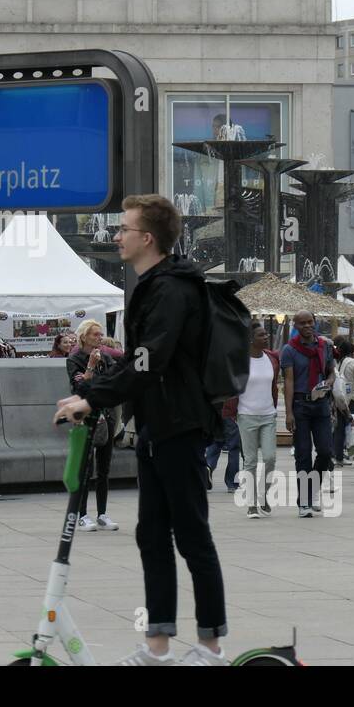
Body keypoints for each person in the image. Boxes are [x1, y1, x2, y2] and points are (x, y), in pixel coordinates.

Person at [56, 193, 229, 666]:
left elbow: (150, 361)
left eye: (124, 229)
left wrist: (93, 396)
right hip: (157, 425)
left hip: (181, 425)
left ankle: (211, 647)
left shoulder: (172, 290)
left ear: (147, 238)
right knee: (151, 535)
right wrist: (91, 391)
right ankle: (158, 647)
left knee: (192, 535)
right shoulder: (154, 286)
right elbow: (138, 362)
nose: (116, 236)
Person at [282, 310, 338, 515]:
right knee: (303, 454)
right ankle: (304, 501)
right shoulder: (289, 350)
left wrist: (330, 381)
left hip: (321, 404)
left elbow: (331, 371)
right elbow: (288, 381)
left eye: (310, 322)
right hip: (301, 405)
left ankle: (312, 489)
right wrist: (288, 413)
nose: (307, 326)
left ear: (315, 322)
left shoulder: (324, 346)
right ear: (295, 325)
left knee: (325, 452)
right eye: (302, 323)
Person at [66, 319, 120, 529]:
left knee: (104, 469)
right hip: (85, 417)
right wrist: (90, 366)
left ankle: (103, 513)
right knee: (85, 469)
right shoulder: (74, 359)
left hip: (106, 415)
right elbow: (80, 387)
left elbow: (115, 381)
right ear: (84, 336)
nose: (99, 338)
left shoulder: (105, 357)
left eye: (100, 334)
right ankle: (82, 514)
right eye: (95, 334)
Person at [237, 321, 280, 518]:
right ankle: (252, 503)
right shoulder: (239, 361)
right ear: (250, 339)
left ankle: (264, 494)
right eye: (261, 335)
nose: (266, 337)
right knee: (251, 461)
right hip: (246, 415)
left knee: (270, 457)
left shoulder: (272, 358)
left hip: (268, 414)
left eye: (266, 334)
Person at [334, 336, 354, 468]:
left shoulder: (338, 363)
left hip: (340, 399)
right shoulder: (353, 363)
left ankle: (339, 458)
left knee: (339, 428)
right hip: (353, 399)